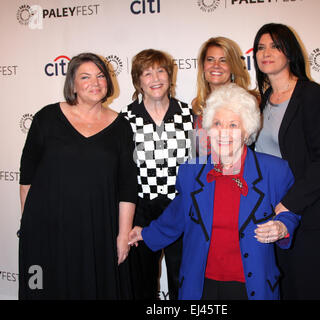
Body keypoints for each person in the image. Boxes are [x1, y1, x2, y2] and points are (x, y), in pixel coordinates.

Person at [128, 83, 300, 300]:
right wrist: (144, 233)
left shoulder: (275, 171)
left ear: (247, 130)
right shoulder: (190, 172)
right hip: (201, 285)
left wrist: (283, 226)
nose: (224, 133)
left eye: (233, 125)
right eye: (217, 123)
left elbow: (291, 211)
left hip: (251, 286)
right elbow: (177, 215)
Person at [18, 52, 137, 300]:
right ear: (72, 83)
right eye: (85, 77)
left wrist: (123, 235)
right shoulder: (46, 118)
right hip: (48, 228)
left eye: (100, 76)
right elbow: (27, 176)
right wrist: (28, 224)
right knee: (44, 288)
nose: (95, 82)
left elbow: (127, 186)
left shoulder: (121, 126)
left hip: (99, 231)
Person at [253, 23, 320, 300]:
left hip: (310, 214)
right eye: (260, 47)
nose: (266, 52)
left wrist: (290, 203)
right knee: (279, 291)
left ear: (290, 52)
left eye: (275, 46)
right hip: (272, 215)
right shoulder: (261, 101)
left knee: (307, 291)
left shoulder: (313, 96)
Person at [121, 49, 194, 300]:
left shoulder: (188, 115)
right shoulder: (125, 119)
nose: (155, 78)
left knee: (180, 277)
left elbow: (197, 163)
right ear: (137, 81)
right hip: (141, 207)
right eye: (147, 73)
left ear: (170, 76)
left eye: (160, 70)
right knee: (142, 280)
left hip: (179, 206)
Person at [192, 36, 258, 156]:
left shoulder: (250, 102)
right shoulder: (197, 105)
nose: (216, 65)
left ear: (233, 66)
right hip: (204, 172)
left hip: (238, 173)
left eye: (223, 60)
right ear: (203, 66)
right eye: (210, 59)